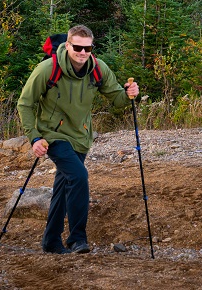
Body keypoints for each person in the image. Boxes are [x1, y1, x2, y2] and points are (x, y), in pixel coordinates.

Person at [17, 25, 139, 254]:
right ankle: (77, 239)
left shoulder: (97, 68)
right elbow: (25, 103)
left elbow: (117, 98)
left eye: (87, 48)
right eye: (78, 47)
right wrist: (34, 137)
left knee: (64, 186)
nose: (83, 52)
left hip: (81, 137)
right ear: (67, 45)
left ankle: (51, 242)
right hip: (53, 136)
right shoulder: (47, 69)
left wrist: (130, 93)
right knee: (79, 176)